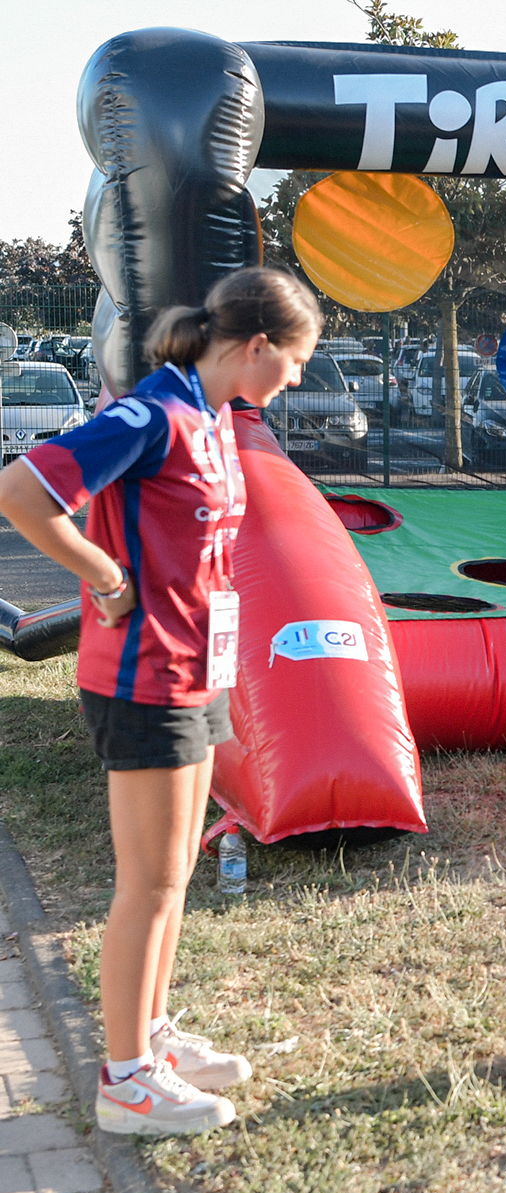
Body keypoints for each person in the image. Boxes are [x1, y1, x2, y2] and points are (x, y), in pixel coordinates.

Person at [0, 267, 322, 1136]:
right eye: (295, 360)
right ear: (257, 345)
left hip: (195, 671)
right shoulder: (151, 415)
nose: (297, 378)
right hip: (145, 679)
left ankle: (151, 1037)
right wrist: (105, 578)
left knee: (174, 874)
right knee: (147, 881)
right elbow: (21, 493)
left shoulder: (212, 417)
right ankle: (126, 1081)